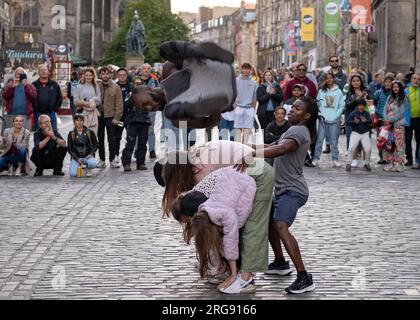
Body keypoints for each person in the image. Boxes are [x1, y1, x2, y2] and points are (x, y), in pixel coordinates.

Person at [236, 96, 319, 294]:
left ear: (306, 116)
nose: (291, 110)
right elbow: (272, 145)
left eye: (297, 109)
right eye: (293, 107)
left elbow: (281, 149)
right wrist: (247, 148)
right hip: (283, 189)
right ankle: (280, 263)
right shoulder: (293, 129)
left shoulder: (299, 131)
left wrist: (251, 155)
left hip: (293, 190)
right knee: (270, 221)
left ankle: (304, 277)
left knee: (281, 226)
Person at [173, 166, 258, 294]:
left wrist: (233, 275)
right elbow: (222, 241)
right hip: (233, 180)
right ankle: (238, 272)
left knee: (248, 234)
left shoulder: (226, 215)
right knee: (230, 237)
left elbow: (230, 242)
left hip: (251, 180)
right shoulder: (204, 211)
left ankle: (246, 278)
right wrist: (225, 261)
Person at [312, 73, 345, 168]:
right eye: (327, 78)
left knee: (334, 140)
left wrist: (337, 115)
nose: (329, 80)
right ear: (325, 80)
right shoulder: (322, 91)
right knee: (320, 139)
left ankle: (335, 159)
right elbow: (318, 103)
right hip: (323, 119)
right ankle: (316, 158)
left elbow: (341, 105)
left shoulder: (338, 91)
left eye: (331, 78)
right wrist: (321, 114)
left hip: (334, 120)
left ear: (334, 79)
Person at [98, 67, 123, 169]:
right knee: (100, 139)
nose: (105, 76)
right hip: (99, 116)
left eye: (106, 74)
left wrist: (117, 117)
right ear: (100, 75)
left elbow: (119, 103)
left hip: (111, 116)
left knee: (111, 139)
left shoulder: (115, 87)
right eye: (103, 74)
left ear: (110, 75)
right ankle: (102, 159)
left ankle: (112, 159)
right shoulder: (97, 86)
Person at [122, 86, 151, 172]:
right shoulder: (131, 95)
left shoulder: (148, 96)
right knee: (130, 143)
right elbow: (125, 106)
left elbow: (152, 107)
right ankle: (126, 163)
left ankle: (141, 163)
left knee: (142, 144)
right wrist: (129, 117)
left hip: (144, 122)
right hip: (133, 122)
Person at [345, 74, 371, 167]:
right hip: (353, 119)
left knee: (365, 140)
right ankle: (354, 159)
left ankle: (365, 160)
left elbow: (371, 103)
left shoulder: (366, 92)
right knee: (352, 139)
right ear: (351, 83)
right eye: (354, 81)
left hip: (364, 119)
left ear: (361, 82)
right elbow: (347, 105)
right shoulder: (350, 93)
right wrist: (357, 100)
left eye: (358, 80)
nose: (356, 82)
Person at [382, 81, 407, 172]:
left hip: (398, 124)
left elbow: (401, 112)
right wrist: (385, 118)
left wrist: (391, 120)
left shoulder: (403, 98)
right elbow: (384, 109)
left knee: (399, 144)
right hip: (388, 126)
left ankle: (399, 163)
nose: (395, 88)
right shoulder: (389, 97)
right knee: (389, 144)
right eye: (393, 87)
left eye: (397, 87)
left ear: (400, 88)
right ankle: (390, 163)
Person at [32, 64, 63, 131]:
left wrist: (55, 109)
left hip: (51, 113)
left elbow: (59, 98)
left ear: (48, 71)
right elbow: (31, 98)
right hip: (38, 113)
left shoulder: (54, 84)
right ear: (38, 73)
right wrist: (34, 109)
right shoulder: (34, 85)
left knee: (53, 133)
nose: (43, 72)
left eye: (45, 70)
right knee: (39, 134)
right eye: (41, 70)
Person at [345, 100, 372, 172]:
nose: (361, 107)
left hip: (365, 133)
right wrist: (354, 122)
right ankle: (348, 163)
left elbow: (370, 122)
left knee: (368, 149)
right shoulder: (353, 113)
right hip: (355, 133)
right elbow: (347, 122)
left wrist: (366, 121)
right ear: (357, 106)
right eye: (360, 105)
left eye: (363, 105)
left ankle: (367, 163)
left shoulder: (366, 113)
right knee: (351, 148)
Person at [140, 63, 160, 159]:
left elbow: (159, 93)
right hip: (139, 109)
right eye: (144, 69)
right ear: (141, 70)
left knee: (151, 130)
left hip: (151, 109)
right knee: (138, 130)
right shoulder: (136, 80)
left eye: (148, 68)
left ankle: (152, 150)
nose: (146, 70)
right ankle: (138, 151)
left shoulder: (154, 81)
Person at [74, 68, 102, 136]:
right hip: (81, 113)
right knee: (82, 135)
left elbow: (99, 101)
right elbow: (75, 102)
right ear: (84, 76)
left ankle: (93, 146)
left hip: (93, 114)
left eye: (90, 75)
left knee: (93, 135)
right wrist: (86, 103)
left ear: (93, 76)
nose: (88, 77)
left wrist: (91, 101)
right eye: (86, 75)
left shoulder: (96, 86)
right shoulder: (79, 87)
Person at [234, 63, 257, 144]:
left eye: (248, 69)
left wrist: (253, 109)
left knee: (247, 130)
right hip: (239, 107)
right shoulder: (236, 80)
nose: (246, 71)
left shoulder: (253, 82)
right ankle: (238, 147)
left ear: (250, 70)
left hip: (249, 108)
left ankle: (244, 147)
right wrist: (235, 107)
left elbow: (254, 96)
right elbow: (234, 94)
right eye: (244, 69)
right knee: (238, 129)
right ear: (241, 70)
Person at [374, 76, 394, 164]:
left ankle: (389, 157)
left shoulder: (394, 93)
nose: (388, 83)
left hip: (391, 120)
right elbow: (373, 104)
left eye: (390, 82)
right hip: (381, 119)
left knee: (390, 139)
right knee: (381, 138)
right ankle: (381, 157)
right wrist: (376, 114)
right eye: (386, 82)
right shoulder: (378, 93)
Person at [115, 68, 132, 161]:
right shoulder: (114, 86)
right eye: (120, 75)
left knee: (130, 136)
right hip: (119, 118)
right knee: (117, 136)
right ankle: (116, 155)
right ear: (117, 76)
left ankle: (130, 154)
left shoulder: (131, 86)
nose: (122, 77)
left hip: (129, 117)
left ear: (126, 75)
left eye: (124, 75)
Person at [404, 73, 420, 168]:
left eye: (418, 79)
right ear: (411, 80)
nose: (416, 80)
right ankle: (409, 159)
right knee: (407, 140)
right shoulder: (405, 91)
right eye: (414, 78)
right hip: (408, 119)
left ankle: (418, 159)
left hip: (418, 119)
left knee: (419, 140)